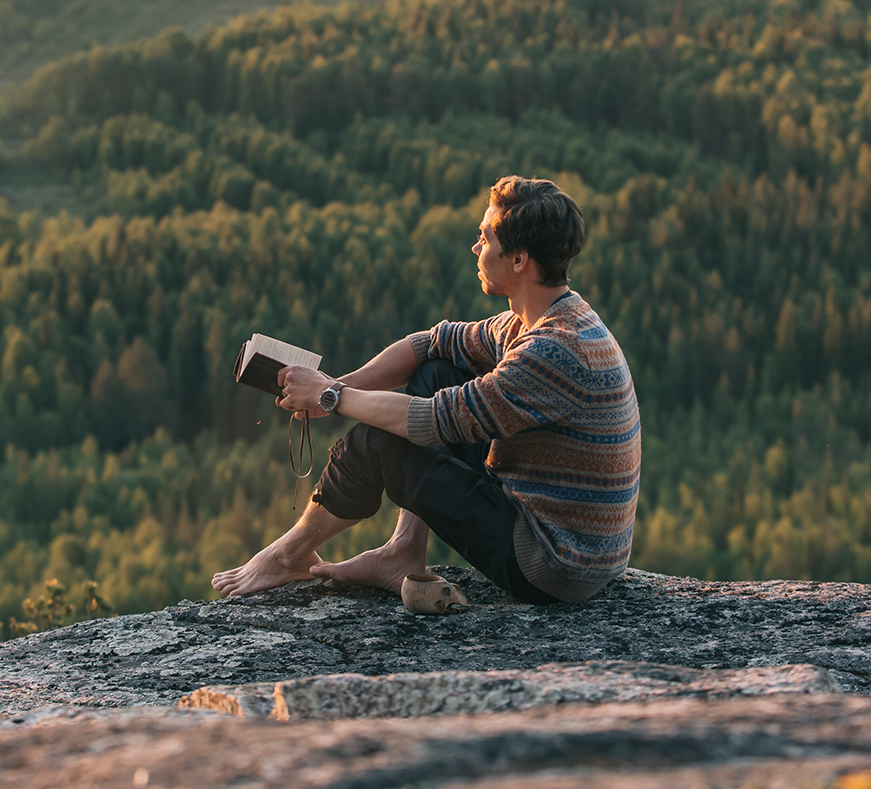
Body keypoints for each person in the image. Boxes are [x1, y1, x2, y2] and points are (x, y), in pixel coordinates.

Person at [210, 175, 640, 604]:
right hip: (569, 541)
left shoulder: (553, 351)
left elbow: (431, 420)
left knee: (380, 440)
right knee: (439, 368)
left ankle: (289, 556)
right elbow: (431, 342)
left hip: (553, 565)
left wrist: (331, 398)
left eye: (485, 239)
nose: (476, 248)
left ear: (519, 260)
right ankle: (404, 551)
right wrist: (338, 386)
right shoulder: (543, 319)